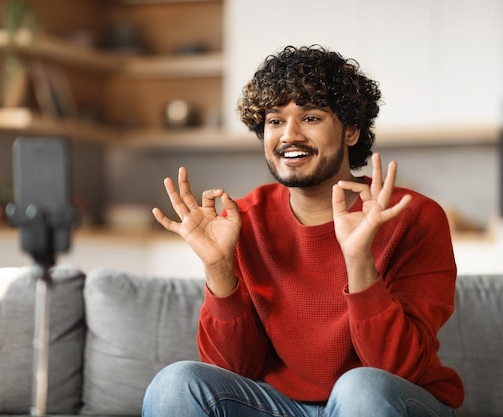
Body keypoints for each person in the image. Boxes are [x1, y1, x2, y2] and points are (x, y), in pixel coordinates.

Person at [142, 45, 464, 417]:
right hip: (280, 406)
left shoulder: (412, 217)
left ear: (351, 131)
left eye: (310, 117)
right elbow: (233, 370)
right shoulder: (242, 220)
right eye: (275, 120)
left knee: (360, 388)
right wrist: (219, 269)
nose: (288, 135)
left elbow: (397, 369)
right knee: (174, 384)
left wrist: (359, 260)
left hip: (385, 400)